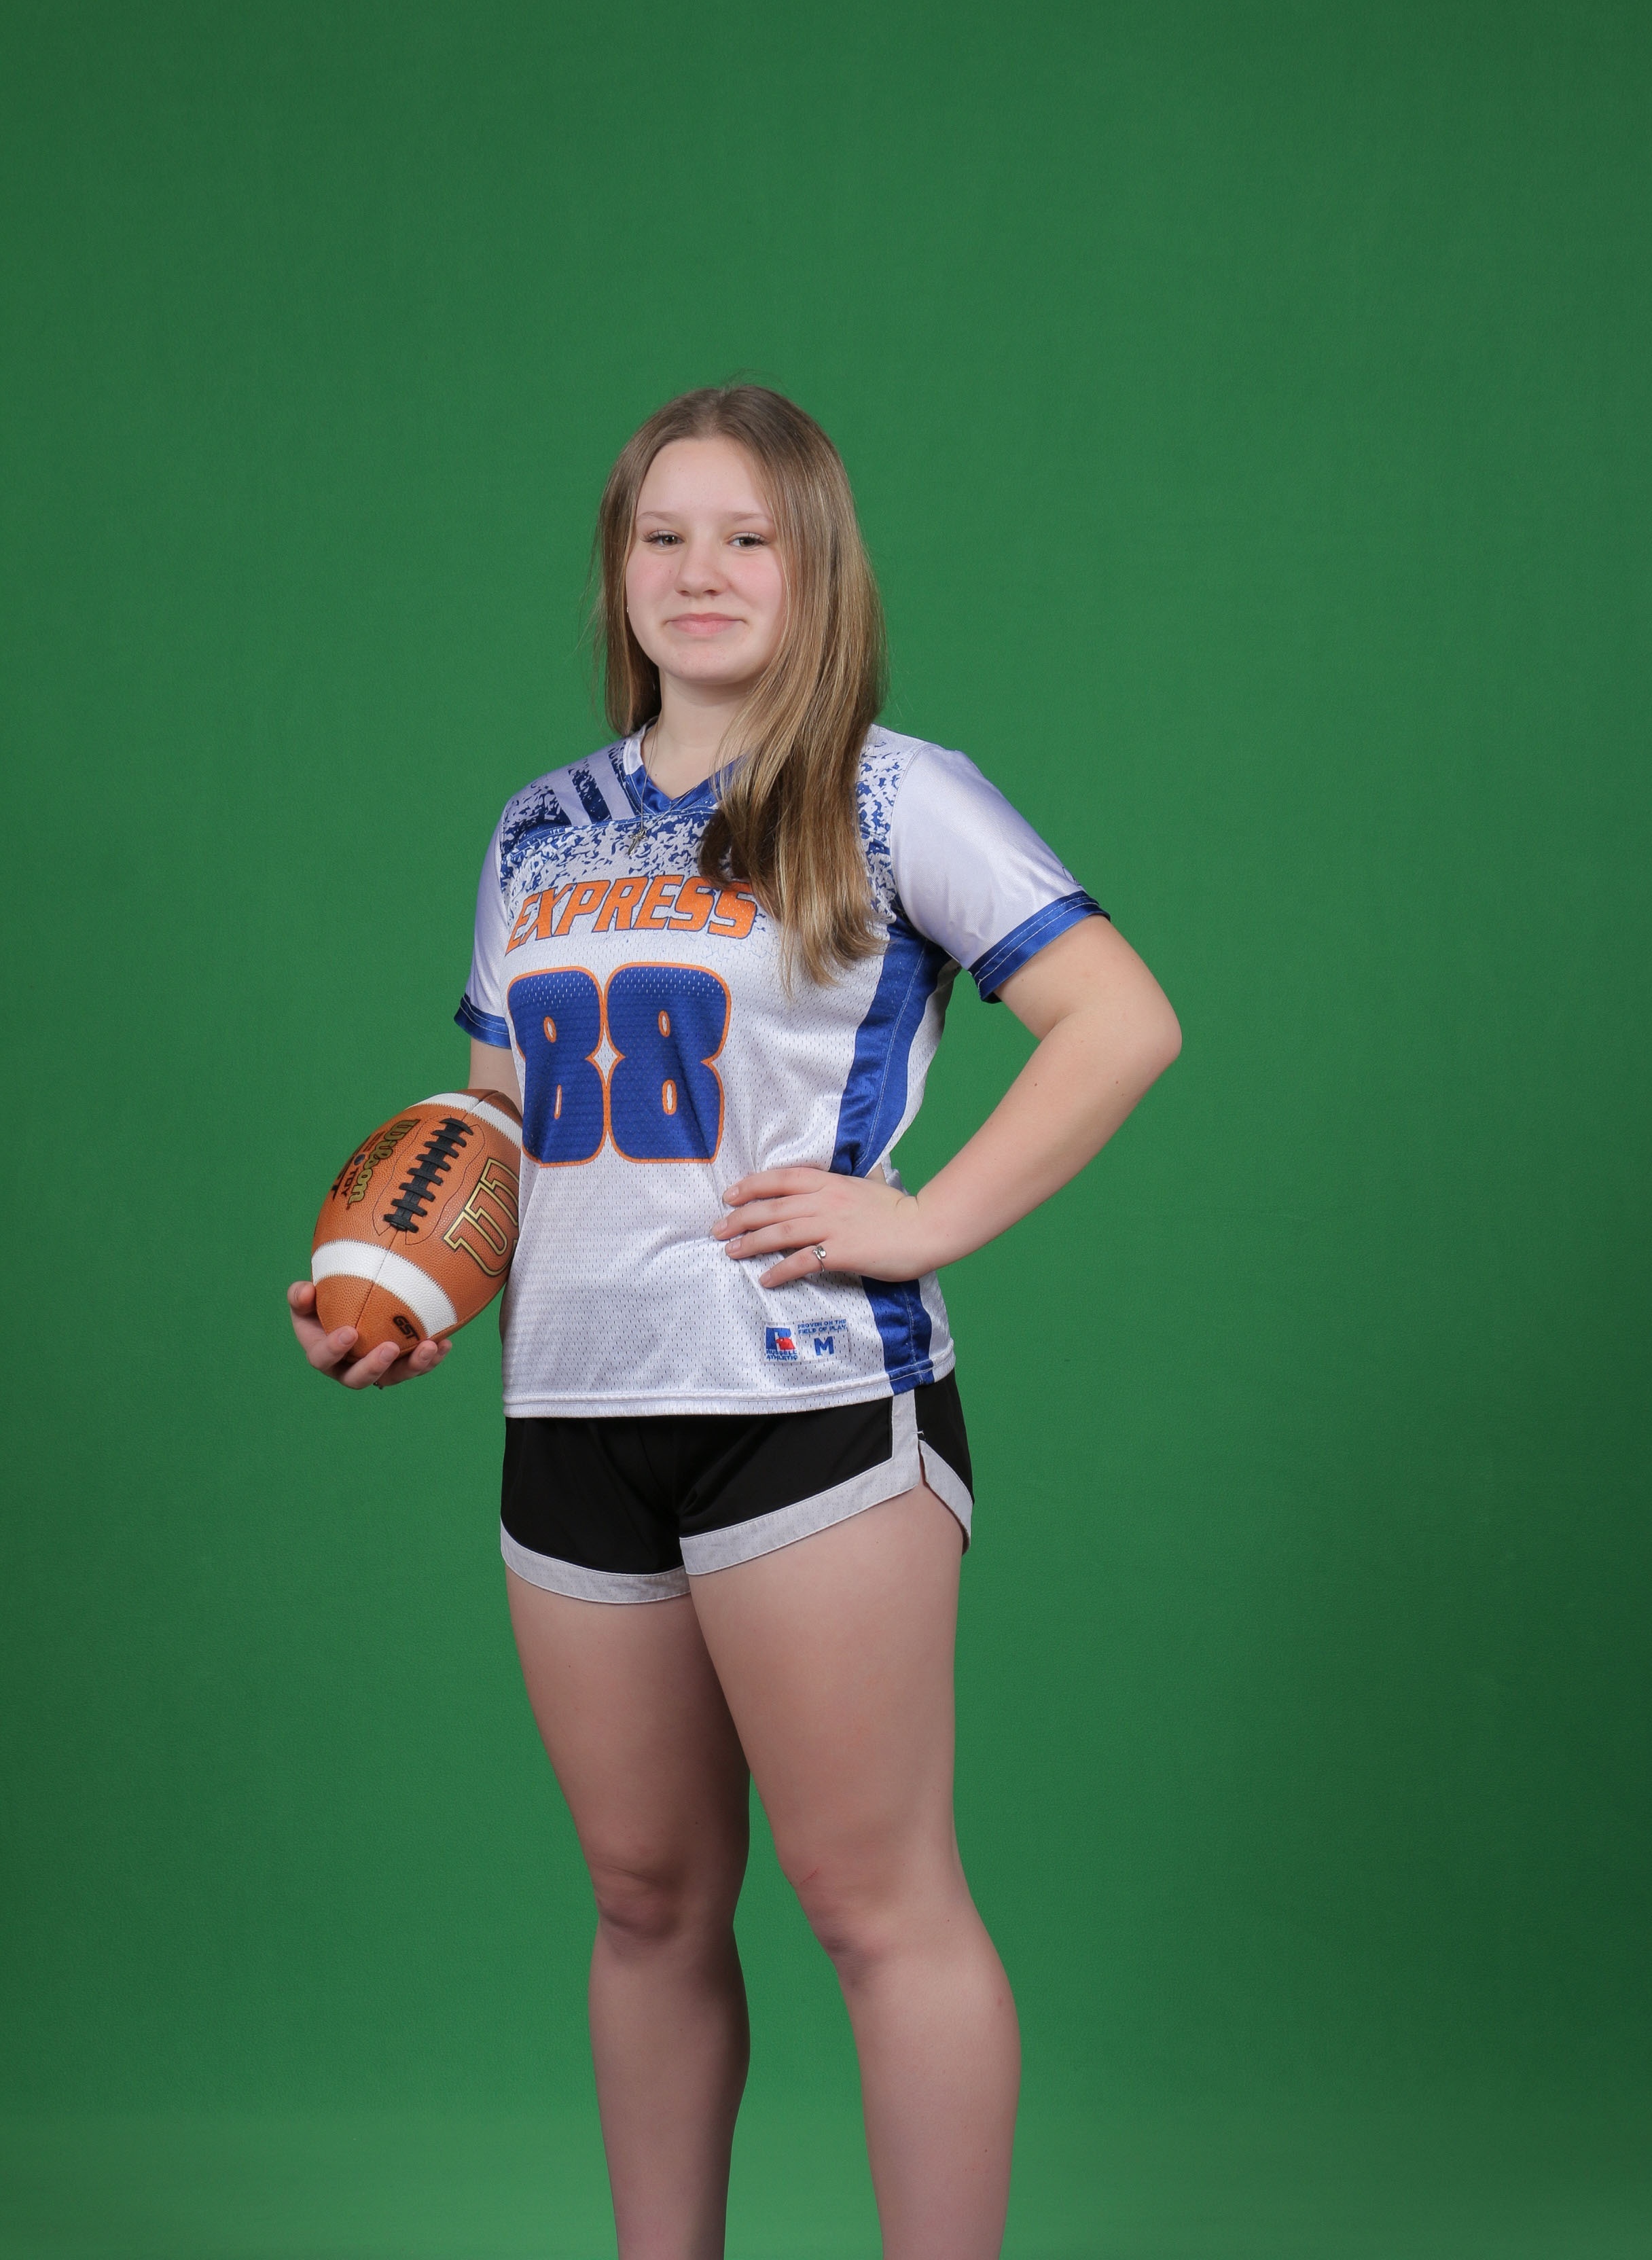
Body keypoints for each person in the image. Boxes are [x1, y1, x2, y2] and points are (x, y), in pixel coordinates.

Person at [288, 385, 1181, 2260]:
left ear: (815, 565)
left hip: (808, 1400)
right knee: (644, 1901)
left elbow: (1121, 1020)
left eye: (748, 536)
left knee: (872, 1903)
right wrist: (409, 1285)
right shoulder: (537, 827)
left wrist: (926, 1216)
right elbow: (500, 1116)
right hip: (571, 1408)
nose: (701, 571)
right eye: (664, 535)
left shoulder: (891, 791)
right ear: (619, 568)